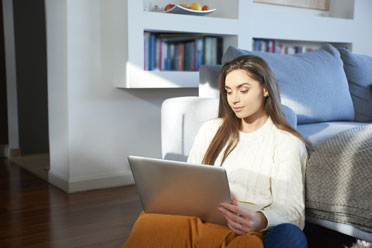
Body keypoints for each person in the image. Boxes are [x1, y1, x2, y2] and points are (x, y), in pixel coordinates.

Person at [123, 55, 308, 248]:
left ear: (265, 89)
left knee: (291, 237)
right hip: (205, 217)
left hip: (247, 226)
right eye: (228, 92)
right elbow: (189, 182)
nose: (234, 99)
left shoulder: (287, 142)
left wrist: (259, 220)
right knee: (150, 220)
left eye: (243, 90)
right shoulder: (211, 130)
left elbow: (292, 210)